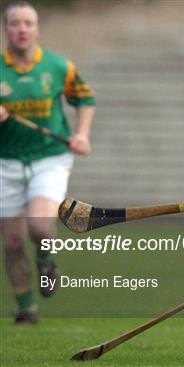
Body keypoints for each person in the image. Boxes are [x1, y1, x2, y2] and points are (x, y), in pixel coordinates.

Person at [0, 1, 96, 323]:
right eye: (15, 23)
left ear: (37, 29)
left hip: (49, 158)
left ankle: (46, 259)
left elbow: (85, 98)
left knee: (40, 226)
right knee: (12, 240)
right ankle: (26, 307)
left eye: (28, 23)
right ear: (6, 28)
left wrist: (81, 134)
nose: (22, 29)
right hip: (6, 162)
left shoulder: (57, 66)